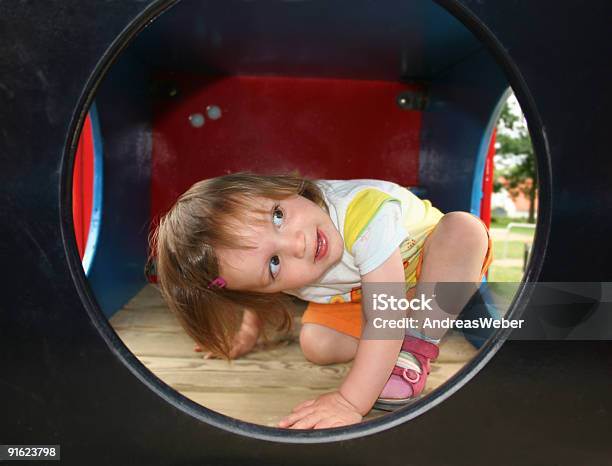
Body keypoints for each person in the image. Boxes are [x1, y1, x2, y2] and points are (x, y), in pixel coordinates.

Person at [152, 172, 492, 429]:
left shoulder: (361, 212)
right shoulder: (280, 260)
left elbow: (383, 319)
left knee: (463, 229)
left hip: (436, 268)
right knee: (316, 344)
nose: (297, 244)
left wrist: (349, 401)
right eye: (273, 264)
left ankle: (417, 343)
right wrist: (247, 333)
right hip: (370, 294)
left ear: (276, 188)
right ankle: (407, 324)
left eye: (278, 217)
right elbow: (250, 290)